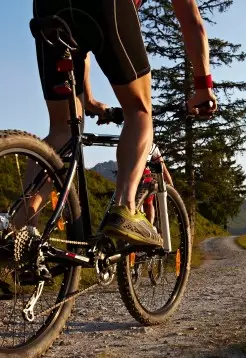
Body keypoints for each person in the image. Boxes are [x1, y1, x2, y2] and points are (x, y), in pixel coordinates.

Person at [27, 0, 217, 247]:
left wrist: (90, 99)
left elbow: (80, 47)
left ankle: (19, 228)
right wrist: (203, 87)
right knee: (139, 111)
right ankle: (126, 207)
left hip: (48, 7)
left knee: (63, 130)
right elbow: (192, 23)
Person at [142, 143, 174, 226]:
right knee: (148, 204)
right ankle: (150, 226)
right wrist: (173, 190)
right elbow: (164, 169)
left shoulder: (126, 140)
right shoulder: (152, 146)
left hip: (133, 176)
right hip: (145, 175)